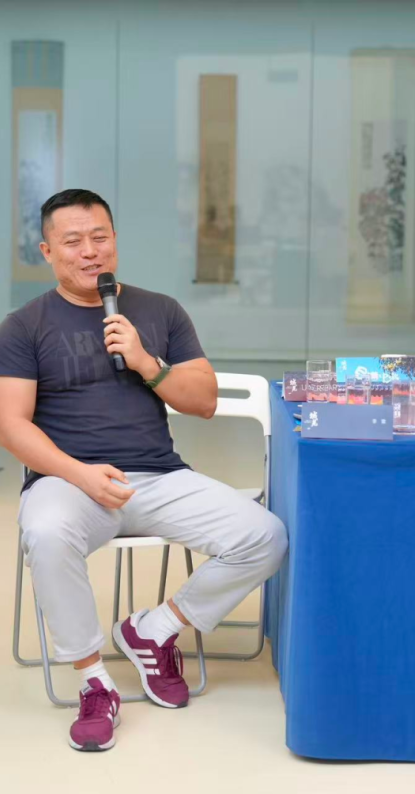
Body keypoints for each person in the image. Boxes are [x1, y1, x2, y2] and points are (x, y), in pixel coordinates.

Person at [0, 189, 287, 752]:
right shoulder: (23, 326)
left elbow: (203, 401)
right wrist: (79, 474)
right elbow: (11, 425)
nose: (90, 252)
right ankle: (94, 682)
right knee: (46, 531)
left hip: (159, 477)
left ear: (115, 240)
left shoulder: (159, 311)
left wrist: (145, 362)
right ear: (47, 251)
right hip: (69, 482)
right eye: (73, 241)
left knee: (266, 535)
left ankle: (154, 631)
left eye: (100, 237)